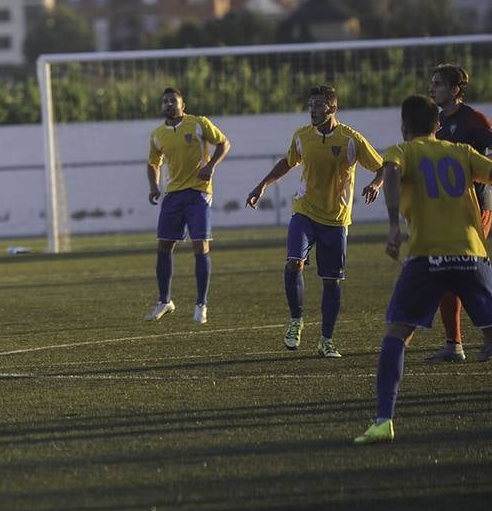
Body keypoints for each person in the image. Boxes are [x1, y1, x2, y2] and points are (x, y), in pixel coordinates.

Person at [353, 94, 492, 444]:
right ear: (437, 125)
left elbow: (392, 171)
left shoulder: (402, 150)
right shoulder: (460, 152)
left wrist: (394, 225)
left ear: (404, 125)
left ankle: (383, 421)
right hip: (471, 256)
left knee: (397, 332)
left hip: (427, 256)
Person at [246, 84, 383, 358]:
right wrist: (263, 185)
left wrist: (377, 184)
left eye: (319, 104)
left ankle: (326, 340)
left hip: (336, 219)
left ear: (333, 108)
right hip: (304, 212)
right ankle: (296, 320)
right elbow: (288, 162)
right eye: (311, 104)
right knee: (293, 262)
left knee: (331, 281)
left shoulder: (350, 139)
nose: (313, 109)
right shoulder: (302, 137)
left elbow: (381, 166)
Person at [425, 63, 492, 363]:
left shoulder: (473, 119)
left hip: (478, 206)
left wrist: (478, 168)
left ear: (455, 90)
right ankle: (454, 344)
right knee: (446, 273)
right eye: (432, 83)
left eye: (437, 84)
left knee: (468, 272)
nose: (431, 88)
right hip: (447, 210)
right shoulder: (436, 122)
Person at [145, 87, 231, 324]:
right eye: (165, 102)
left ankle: (201, 304)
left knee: (200, 245)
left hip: (198, 193)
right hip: (173, 195)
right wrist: (154, 186)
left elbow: (224, 144)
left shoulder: (198, 123)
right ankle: (165, 301)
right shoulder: (157, 134)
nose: (169, 104)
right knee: (164, 246)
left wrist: (211, 165)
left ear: (183, 104)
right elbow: (153, 163)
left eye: (173, 100)